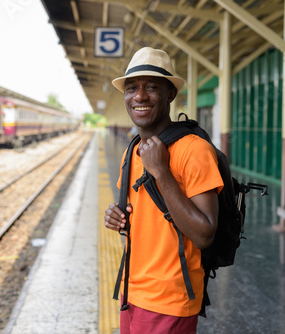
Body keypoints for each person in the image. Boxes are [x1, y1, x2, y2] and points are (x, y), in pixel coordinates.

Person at [104, 47, 224, 333]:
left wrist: (162, 173)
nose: (140, 96)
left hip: (169, 300)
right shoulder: (131, 151)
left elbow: (205, 233)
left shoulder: (194, 150)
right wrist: (116, 216)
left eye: (152, 88)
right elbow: (144, 216)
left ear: (170, 94)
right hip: (131, 292)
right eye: (132, 88)